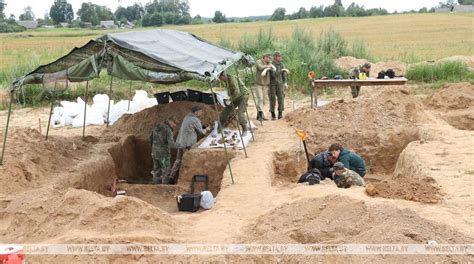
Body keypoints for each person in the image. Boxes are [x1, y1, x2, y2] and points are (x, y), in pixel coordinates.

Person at [170, 105, 210, 182]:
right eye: (201, 111)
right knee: (187, 161)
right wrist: (207, 129)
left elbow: (191, 127)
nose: (202, 113)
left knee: (178, 160)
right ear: (197, 112)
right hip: (187, 144)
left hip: (180, 142)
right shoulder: (194, 119)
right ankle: (184, 180)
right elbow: (202, 132)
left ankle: (171, 177)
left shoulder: (187, 117)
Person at [149, 116, 179, 184]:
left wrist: (154, 148)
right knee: (166, 171)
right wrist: (181, 145)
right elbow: (171, 144)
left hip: (154, 153)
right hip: (164, 154)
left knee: (157, 170)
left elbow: (150, 139)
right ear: (170, 121)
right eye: (174, 123)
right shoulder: (168, 130)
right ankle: (164, 188)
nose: (175, 125)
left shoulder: (156, 127)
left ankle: (156, 186)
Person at [269, 51, 288, 120]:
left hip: (280, 84)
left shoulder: (282, 64)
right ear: (276, 57)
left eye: (281, 56)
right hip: (272, 84)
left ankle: (280, 113)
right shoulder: (271, 65)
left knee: (281, 98)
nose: (281, 58)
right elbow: (273, 75)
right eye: (279, 56)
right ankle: (273, 114)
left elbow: (284, 74)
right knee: (272, 99)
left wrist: (285, 82)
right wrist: (281, 71)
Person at [255, 53, 273, 121]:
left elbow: (272, 69)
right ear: (265, 57)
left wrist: (270, 66)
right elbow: (260, 67)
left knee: (264, 101)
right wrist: (268, 66)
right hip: (259, 84)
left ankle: (259, 115)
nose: (269, 59)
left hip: (265, 85)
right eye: (268, 58)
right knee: (260, 99)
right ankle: (260, 115)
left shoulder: (269, 63)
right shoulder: (258, 62)